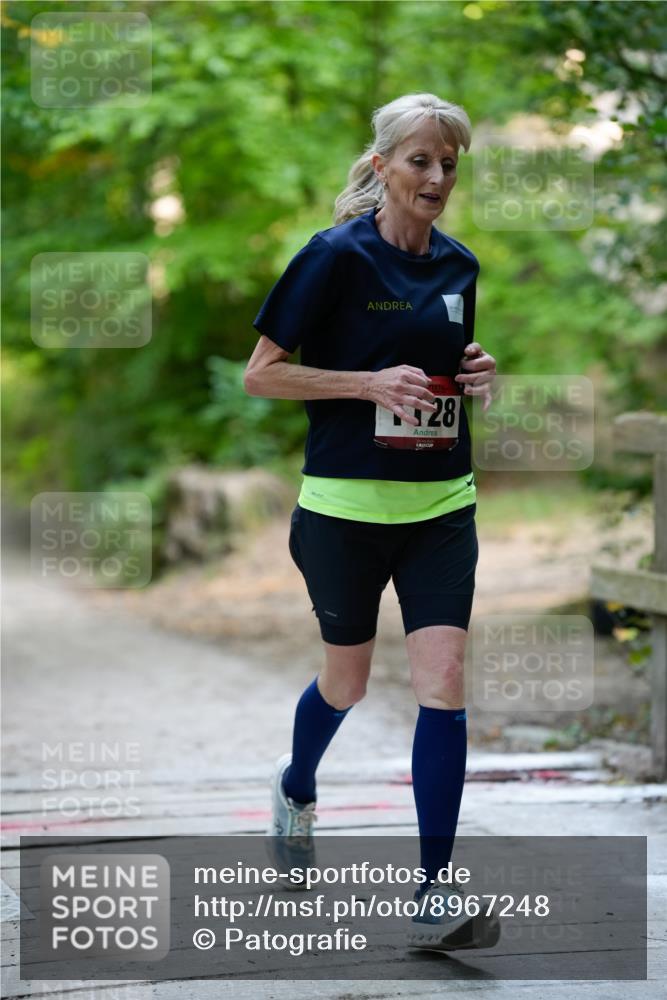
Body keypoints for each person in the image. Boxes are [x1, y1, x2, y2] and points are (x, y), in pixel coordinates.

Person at [244, 93, 497, 952]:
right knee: (345, 684)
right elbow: (261, 376)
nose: (436, 178)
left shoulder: (460, 266)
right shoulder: (330, 258)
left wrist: (476, 374)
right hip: (344, 510)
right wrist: (362, 382)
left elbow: (446, 369)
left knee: (444, 684)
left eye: (449, 164)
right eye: (420, 160)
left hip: (440, 506)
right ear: (383, 163)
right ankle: (296, 785)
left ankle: (432, 893)